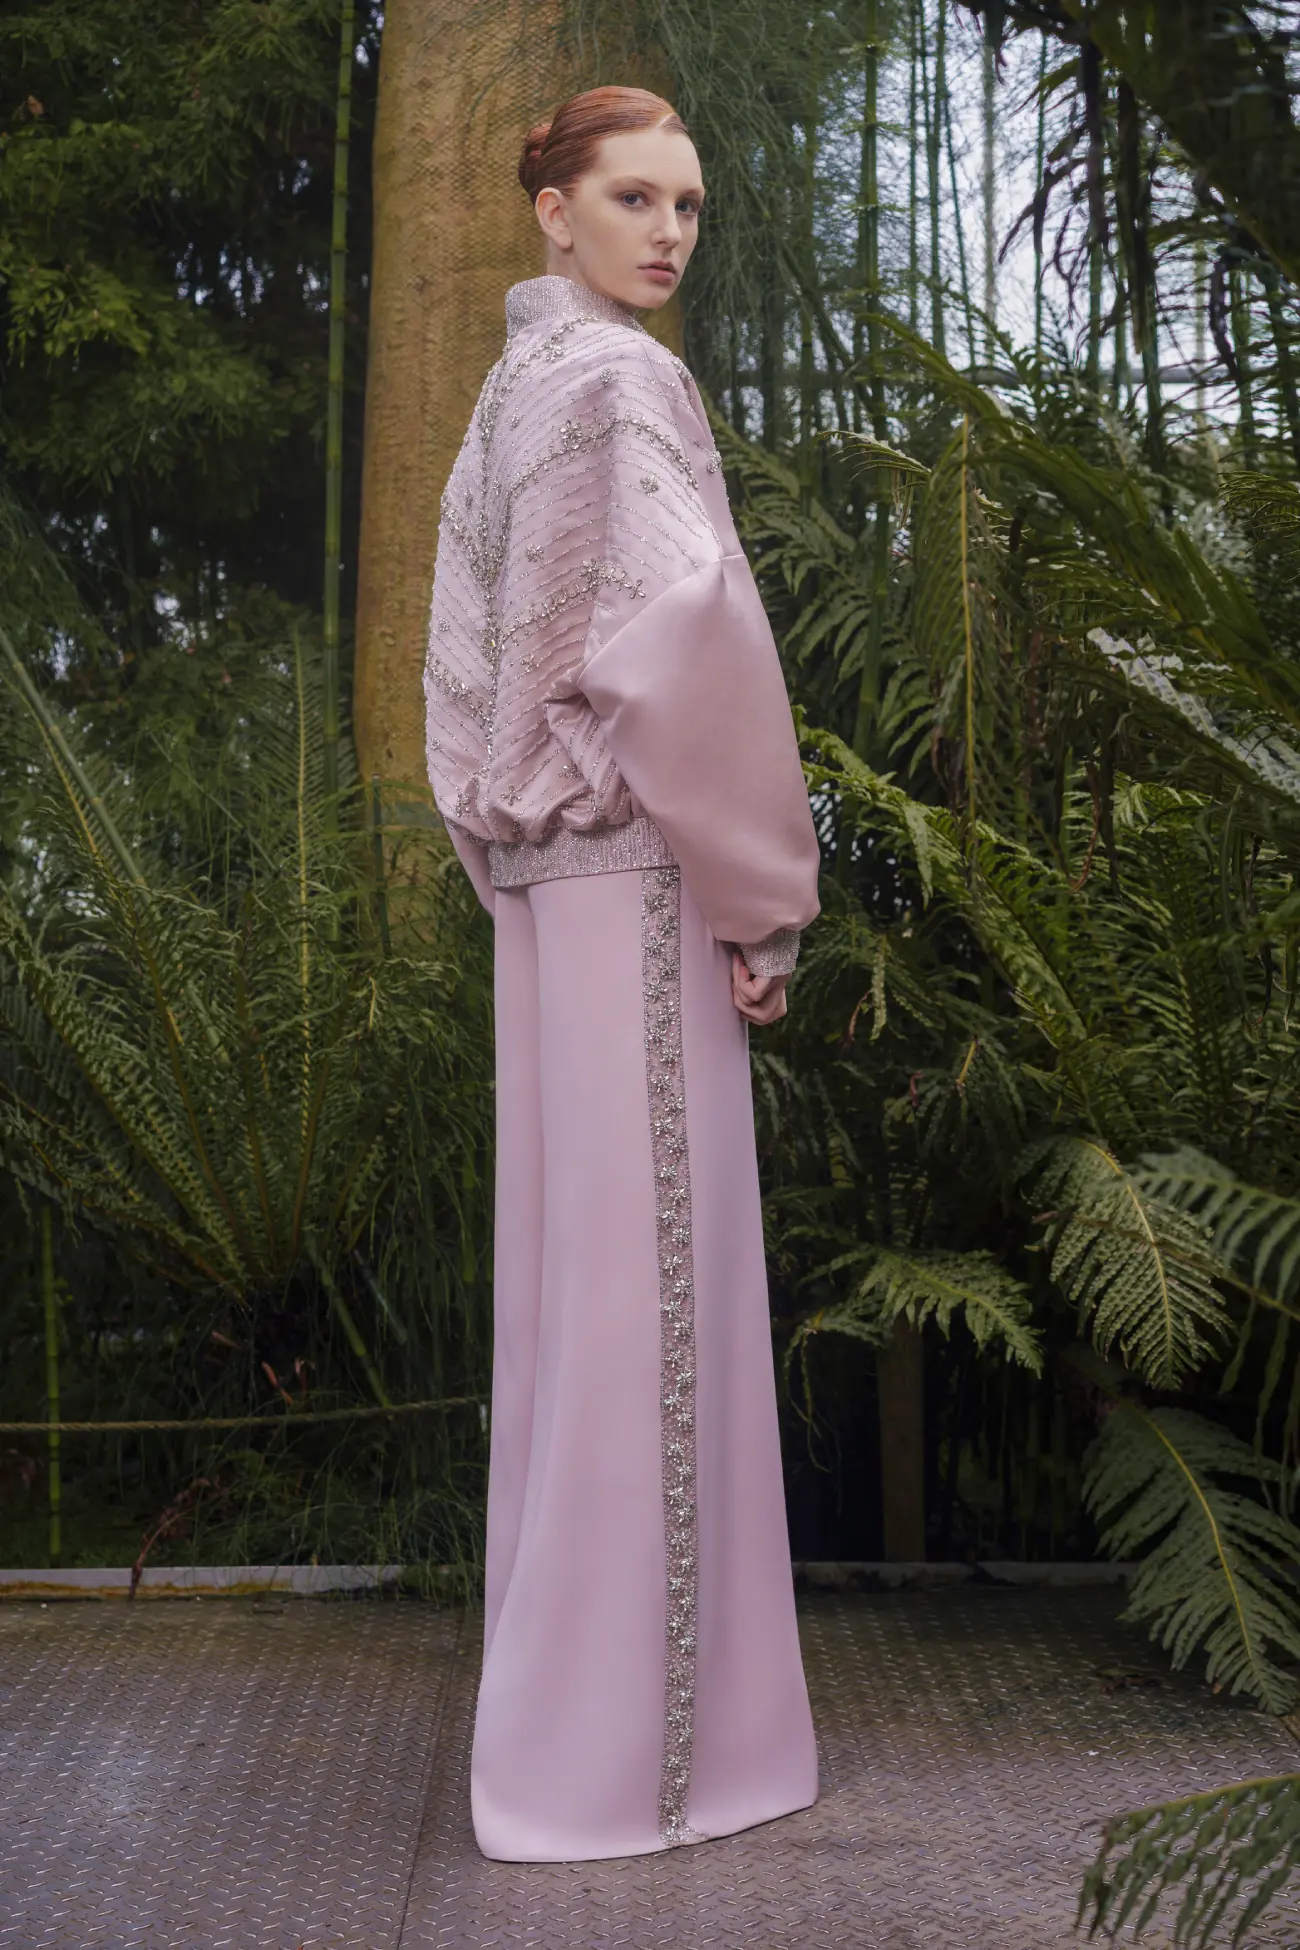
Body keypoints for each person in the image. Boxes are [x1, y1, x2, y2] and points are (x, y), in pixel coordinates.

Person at [424, 83, 821, 1864]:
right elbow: (693, 646)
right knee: (657, 1306)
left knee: (581, 1303)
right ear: (553, 210)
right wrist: (757, 896)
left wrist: (508, 857)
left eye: (688, 204)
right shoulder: (622, 384)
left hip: (553, 898)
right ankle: (636, 1769)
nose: (669, 232)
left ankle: (572, 1735)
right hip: (643, 883)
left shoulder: (507, 396)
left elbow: (460, 676)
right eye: (635, 197)